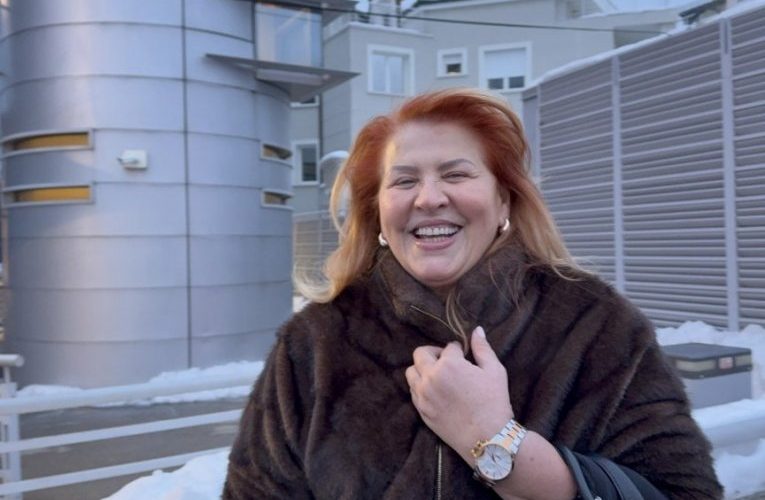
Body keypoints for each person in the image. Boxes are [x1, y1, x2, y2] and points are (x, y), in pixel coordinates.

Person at [223, 88, 722, 499]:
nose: (429, 198)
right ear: (377, 213)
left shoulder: (597, 327)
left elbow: (683, 490)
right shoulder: (313, 344)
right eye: (404, 181)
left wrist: (497, 442)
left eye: (456, 174)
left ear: (503, 199)